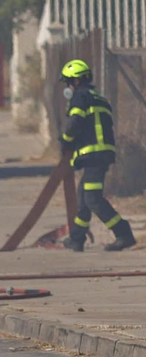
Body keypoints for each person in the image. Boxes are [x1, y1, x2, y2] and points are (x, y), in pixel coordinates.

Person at [59, 60, 134, 252]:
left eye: (68, 82)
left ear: (75, 82)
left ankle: (123, 233)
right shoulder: (98, 97)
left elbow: (74, 122)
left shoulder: (79, 97)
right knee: (83, 196)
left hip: (93, 154)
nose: (67, 87)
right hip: (102, 152)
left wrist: (65, 141)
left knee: (92, 198)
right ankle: (76, 239)